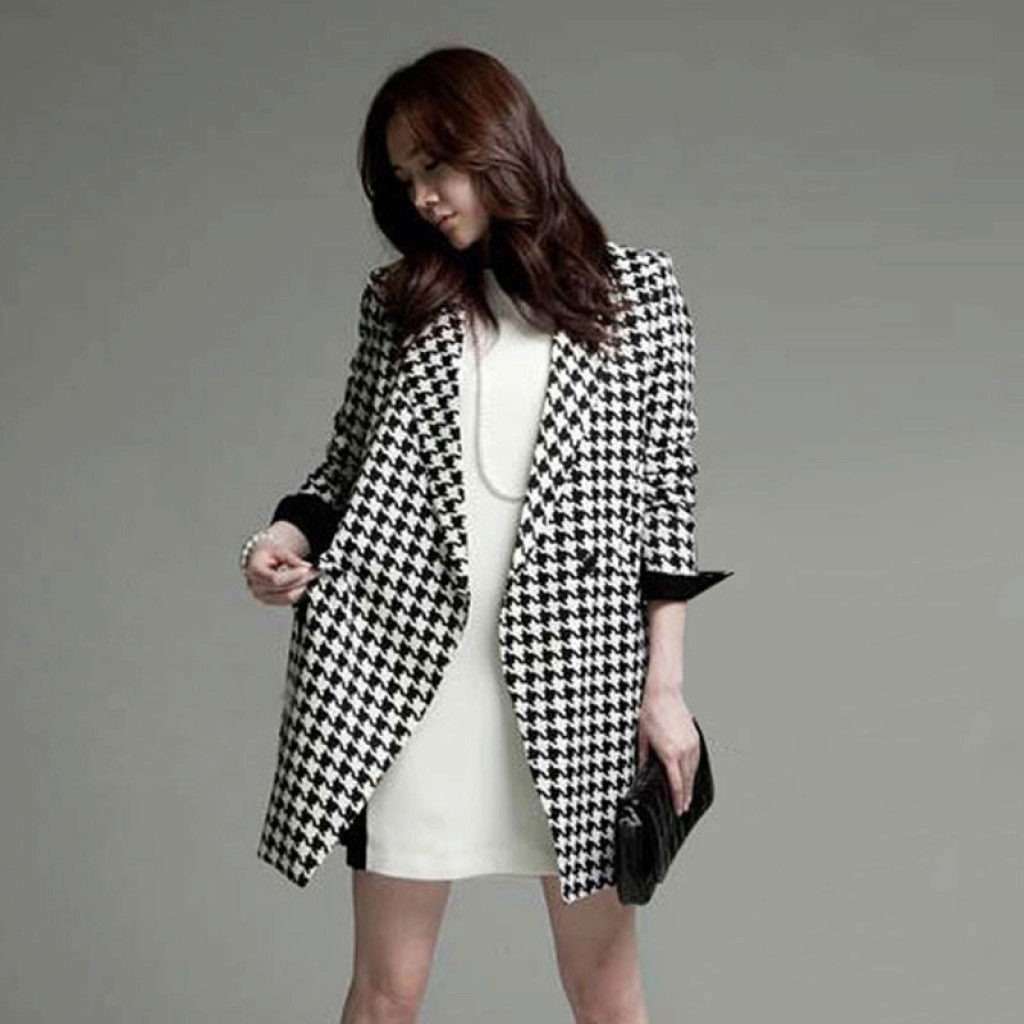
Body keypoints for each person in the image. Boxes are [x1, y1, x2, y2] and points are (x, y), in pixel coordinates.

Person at [240, 45, 732, 1024]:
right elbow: (342, 469)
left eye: (436, 165)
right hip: (405, 676)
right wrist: (281, 535)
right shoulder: (401, 302)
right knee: (388, 991)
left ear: (500, 145)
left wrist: (665, 691)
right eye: (403, 178)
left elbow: (665, 501)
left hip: (578, 681)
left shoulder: (636, 292)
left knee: (605, 991)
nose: (422, 196)